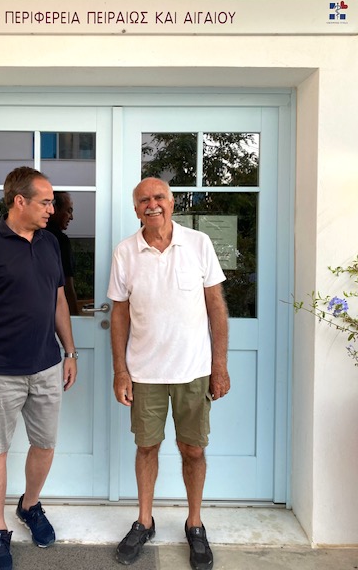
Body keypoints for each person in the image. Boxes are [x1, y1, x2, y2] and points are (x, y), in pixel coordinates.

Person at [0, 166, 78, 570]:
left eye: (53, 202)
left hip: (45, 367)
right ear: (19, 201)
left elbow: (58, 300)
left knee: (45, 445)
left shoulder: (50, 243)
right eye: (45, 202)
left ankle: (29, 505)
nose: (52, 209)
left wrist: (70, 352)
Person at [107, 177, 230, 570]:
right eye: (144, 199)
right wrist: (120, 371)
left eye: (159, 197)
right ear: (136, 209)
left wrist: (219, 365)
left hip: (194, 370)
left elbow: (216, 306)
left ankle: (194, 524)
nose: (152, 204)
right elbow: (119, 314)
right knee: (147, 447)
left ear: (172, 203)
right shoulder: (125, 252)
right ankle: (144, 521)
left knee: (193, 449)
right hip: (145, 372)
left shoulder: (198, 243)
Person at [46, 191, 80, 315]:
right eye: (69, 211)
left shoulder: (34, 236)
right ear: (54, 209)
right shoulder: (60, 241)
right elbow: (67, 286)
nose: (71, 217)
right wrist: (75, 317)